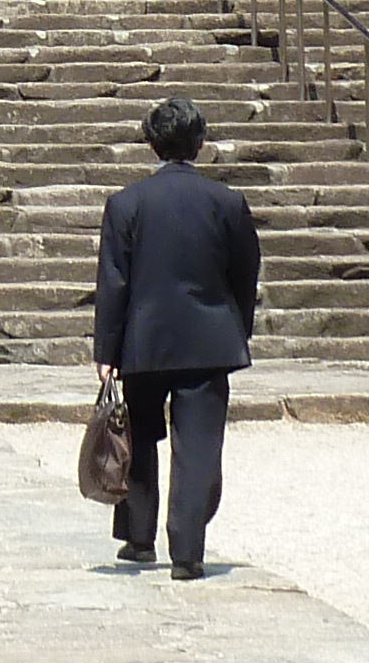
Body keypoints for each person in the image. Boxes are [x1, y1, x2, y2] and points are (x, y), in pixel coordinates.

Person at [92, 92, 259, 580]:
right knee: (199, 444)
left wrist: (107, 348)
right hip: (209, 337)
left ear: (151, 144)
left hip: (143, 338)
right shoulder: (227, 202)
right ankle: (188, 549)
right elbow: (245, 271)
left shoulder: (126, 204)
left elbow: (113, 280)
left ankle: (139, 537)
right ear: (201, 142)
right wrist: (236, 328)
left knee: (139, 437)